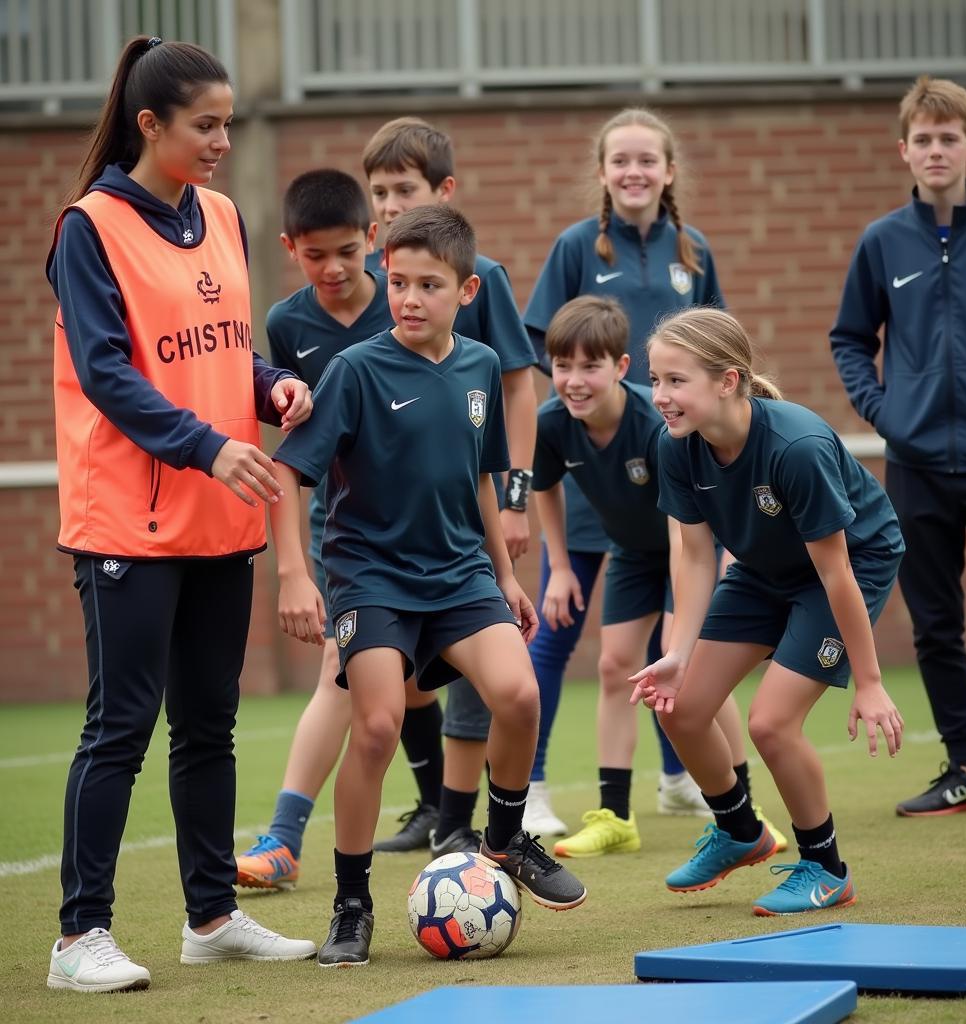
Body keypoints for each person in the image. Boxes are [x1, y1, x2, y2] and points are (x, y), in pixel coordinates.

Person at [45, 37, 317, 993]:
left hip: (221, 513)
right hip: (128, 519)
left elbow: (220, 351)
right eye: (206, 125)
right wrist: (207, 444)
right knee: (121, 724)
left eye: (229, 124)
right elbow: (111, 374)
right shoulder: (89, 228)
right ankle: (79, 937)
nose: (221, 141)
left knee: (211, 724)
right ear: (150, 125)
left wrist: (275, 384)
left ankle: (212, 915)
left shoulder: (224, 214)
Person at [269, 205, 586, 967]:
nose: (407, 297)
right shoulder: (354, 370)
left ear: (467, 290)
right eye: (398, 282)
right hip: (370, 577)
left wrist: (505, 572)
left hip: (461, 575)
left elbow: (480, 472)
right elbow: (287, 471)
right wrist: (293, 575)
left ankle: (503, 842)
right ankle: (351, 905)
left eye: (428, 285)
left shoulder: (479, 365)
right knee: (375, 727)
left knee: (519, 694)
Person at [631, 308, 906, 916]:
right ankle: (738, 831)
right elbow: (697, 557)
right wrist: (677, 652)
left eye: (676, 381)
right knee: (679, 707)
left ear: (728, 381)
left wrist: (869, 681)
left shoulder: (796, 446)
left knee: (770, 723)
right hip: (763, 569)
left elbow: (835, 572)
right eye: (656, 380)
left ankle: (826, 867)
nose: (660, 397)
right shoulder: (675, 444)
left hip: (846, 567)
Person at [521, 106, 742, 833]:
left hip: (671, 487)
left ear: (668, 170)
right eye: (621, 160)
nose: (634, 172)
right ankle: (536, 787)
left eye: (648, 160)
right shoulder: (576, 247)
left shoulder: (694, 252)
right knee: (561, 639)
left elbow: (719, 360)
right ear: (604, 171)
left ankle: (690, 781)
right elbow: (539, 359)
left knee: (674, 647)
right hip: (594, 490)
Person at [529, 296, 784, 858]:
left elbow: (685, 538)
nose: (573, 380)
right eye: (562, 366)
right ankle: (615, 815)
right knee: (615, 665)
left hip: (686, 550)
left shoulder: (657, 424)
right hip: (631, 553)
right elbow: (542, 488)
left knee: (690, 667)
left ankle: (746, 805)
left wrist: (721, 571)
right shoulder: (551, 422)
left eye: (589, 366)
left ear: (620, 369)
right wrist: (561, 567)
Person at [831, 75, 966, 817]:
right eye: (924, 139)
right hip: (914, 464)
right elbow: (851, 338)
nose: (936, 150)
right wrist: (885, 413)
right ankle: (964, 768)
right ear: (903, 151)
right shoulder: (883, 242)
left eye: (950, 138)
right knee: (936, 619)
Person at [362, 117, 539, 857]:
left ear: (443, 190)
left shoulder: (483, 277)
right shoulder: (374, 273)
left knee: (485, 669)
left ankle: (471, 819)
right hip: (379, 527)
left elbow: (516, 389)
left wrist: (516, 497)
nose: (391, 204)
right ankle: (437, 806)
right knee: (399, 684)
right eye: (379, 192)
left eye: (405, 189)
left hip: (470, 510)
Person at [234, 169, 393, 890]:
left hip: (438, 530)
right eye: (314, 255)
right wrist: (293, 567)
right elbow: (297, 446)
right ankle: (286, 837)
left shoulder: (412, 300)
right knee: (344, 671)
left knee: (440, 687)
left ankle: (473, 821)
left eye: (347, 253)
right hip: (349, 531)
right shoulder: (288, 325)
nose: (332, 270)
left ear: (373, 240)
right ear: (289, 246)